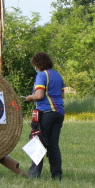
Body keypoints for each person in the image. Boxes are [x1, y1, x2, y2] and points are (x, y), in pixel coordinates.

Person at [24, 52, 65, 180]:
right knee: (53, 145)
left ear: (38, 64)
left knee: (38, 143)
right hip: (59, 113)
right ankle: (56, 175)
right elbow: (62, 95)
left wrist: (29, 97)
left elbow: (39, 95)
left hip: (46, 113)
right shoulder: (58, 75)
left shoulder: (42, 75)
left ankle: (34, 175)